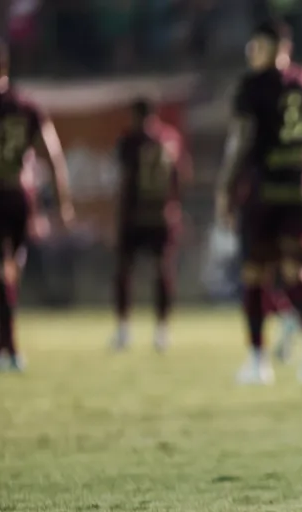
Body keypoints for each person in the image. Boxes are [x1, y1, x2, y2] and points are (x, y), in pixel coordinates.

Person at [214, 21, 302, 384]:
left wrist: (225, 190)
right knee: (297, 271)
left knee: (254, 275)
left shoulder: (252, 86)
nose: (252, 55)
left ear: (277, 47)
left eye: (257, 48)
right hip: (299, 192)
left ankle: (257, 362)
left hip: (262, 193)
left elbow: (241, 141)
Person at [0, 39, 73, 372]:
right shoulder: (28, 107)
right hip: (20, 196)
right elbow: (54, 158)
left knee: (4, 273)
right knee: (11, 271)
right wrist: (63, 203)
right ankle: (9, 348)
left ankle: (9, 349)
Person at [111, 98, 190, 352]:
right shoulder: (171, 137)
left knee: (125, 271)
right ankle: (162, 331)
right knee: (163, 271)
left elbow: (124, 180)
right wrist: (175, 206)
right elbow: (182, 174)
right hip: (164, 215)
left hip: (135, 215)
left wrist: (118, 216)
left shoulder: (130, 140)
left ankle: (124, 330)